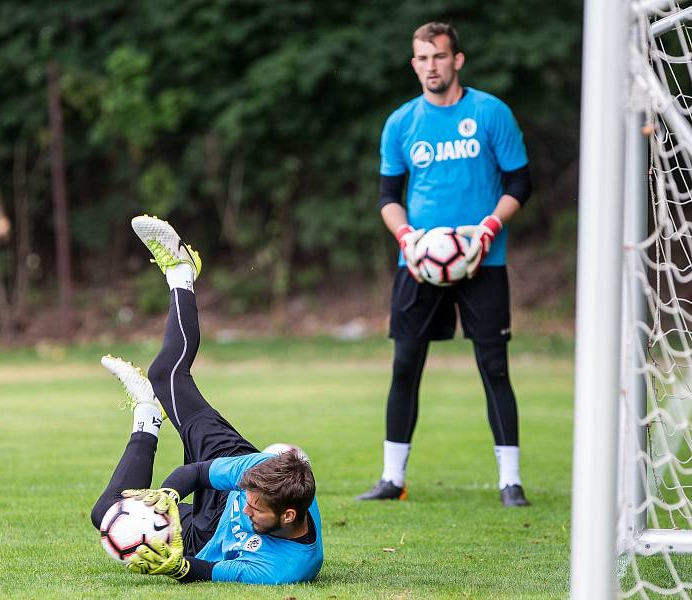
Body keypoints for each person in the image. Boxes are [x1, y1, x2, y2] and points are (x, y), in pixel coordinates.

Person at [90, 215, 324, 583]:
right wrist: (166, 497)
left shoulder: (283, 569)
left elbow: (208, 570)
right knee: (165, 375)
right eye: (248, 497)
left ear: (288, 516)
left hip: (203, 537)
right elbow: (195, 473)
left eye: (255, 509)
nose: (244, 508)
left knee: (105, 514)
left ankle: (148, 416)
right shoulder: (253, 471)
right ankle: (181, 271)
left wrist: (178, 567)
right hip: (221, 474)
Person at [356, 22, 533, 507]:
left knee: (494, 367)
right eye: (422, 58)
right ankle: (392, 479)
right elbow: (389, 198)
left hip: (484, 260)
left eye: (439, 56)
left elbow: (519, 184)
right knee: (405, 365)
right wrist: (408, 238)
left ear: (457, 60)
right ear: (413, 64)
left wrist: (489, 229)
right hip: (418, 265)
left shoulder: (490, 112)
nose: (430, 65)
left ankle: (510, 481)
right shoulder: (401, 124)